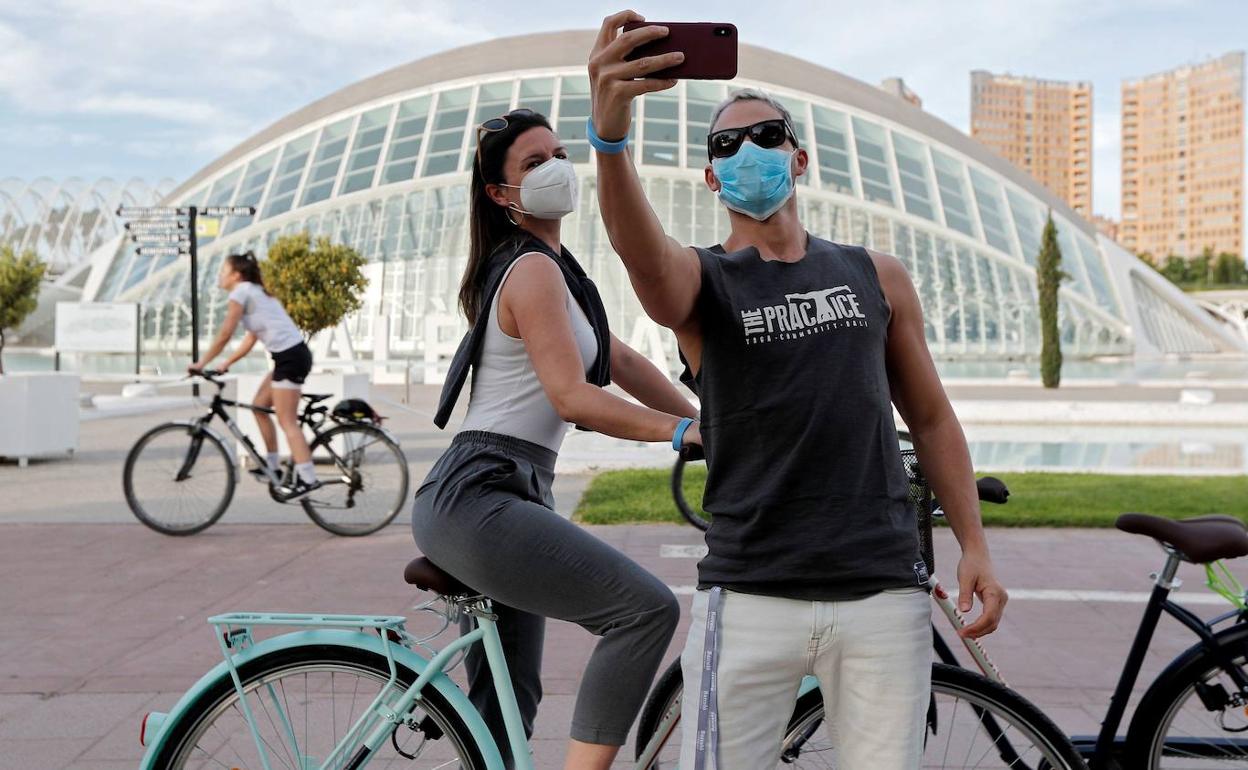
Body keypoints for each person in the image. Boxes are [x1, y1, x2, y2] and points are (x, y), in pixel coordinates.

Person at [588, 13, 1009, 769]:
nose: (749, 150)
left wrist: (973, 542)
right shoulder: (703, 279)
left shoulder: (876, 274)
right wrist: (610, 140)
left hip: (882, 593)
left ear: (800, 157)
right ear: (712, 178)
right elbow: (638, 253)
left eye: (767, 135)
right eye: (726, 145)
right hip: (750, 597)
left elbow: (934, 419)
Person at [412, 108, 700, 770]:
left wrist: (709, 422)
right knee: (644, 612)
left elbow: (623, 363)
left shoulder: (557, 270)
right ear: (500, 195)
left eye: (560, 154)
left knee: (505, 711)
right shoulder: (532, 271)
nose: (558, 170)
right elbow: (574, 397)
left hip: (506, 493)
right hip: (480, 494)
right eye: (535, 163)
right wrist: (683, 432)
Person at [189, 251, 320, 496]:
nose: (220, 276)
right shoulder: (255, 292)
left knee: (287, 420)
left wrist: (201, 362)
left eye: (223, 271)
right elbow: (251, 338)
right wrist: (226, 362)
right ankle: (272, 467)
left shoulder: (241, 293)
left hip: (290, 358)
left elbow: (226, 333)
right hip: (288, 357)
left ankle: (308, 479)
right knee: (259, 406)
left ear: (236, 275)